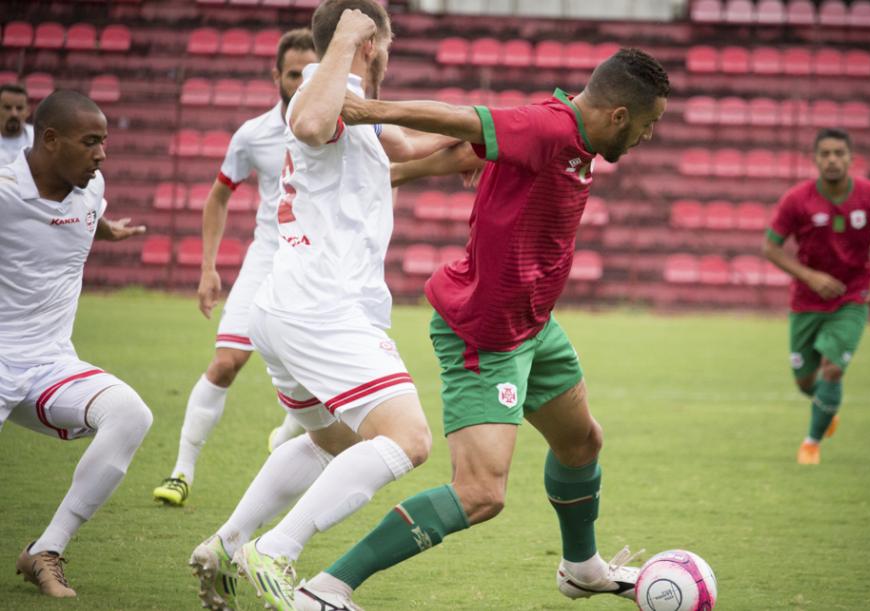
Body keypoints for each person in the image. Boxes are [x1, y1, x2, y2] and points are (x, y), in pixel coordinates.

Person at [289, 47, 671, 610]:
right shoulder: (548, 126)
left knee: (581, 441)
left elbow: (473, 148)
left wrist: (403, 171)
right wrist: (366, 110)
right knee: (480, 494)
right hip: (485, 335)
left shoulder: (575, 138)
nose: (647, 136)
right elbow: (462, 119)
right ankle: (326, 588)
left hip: (535, 326)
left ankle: (582, 567)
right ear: (619, 115)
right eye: (648, 124)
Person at [187, 3, 457, 610]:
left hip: (289, 305)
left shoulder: (350, 106)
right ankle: (277, 551)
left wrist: (491, 136)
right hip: (320, 307)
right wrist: (347, 39)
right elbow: (309, 125)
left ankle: (228, 544)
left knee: (332, 441)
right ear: (368, 43)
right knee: (409, 439)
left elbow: (410, 144)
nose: (387, 54)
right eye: (382, 44)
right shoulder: (322, 93)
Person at [152, 29, 320, 508]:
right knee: (227, 362)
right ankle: (182, 471)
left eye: (312, 73)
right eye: (294, 74)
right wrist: (208, 268)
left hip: (315, 265)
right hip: (268, 256)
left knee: (316, 373)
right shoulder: (253, 135)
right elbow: (219, 196)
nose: (303, 82)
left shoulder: (338, 127)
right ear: (277, 76)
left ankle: (288, 431)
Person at [0, 90, 152, 599]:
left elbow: (84, 221)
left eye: (104, 142)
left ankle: (46, 549)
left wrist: (108, 232)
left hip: (49, 365)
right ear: (50, 139)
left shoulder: (91, 187)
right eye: (90, 142)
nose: (102, 154)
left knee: (131, 414)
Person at [763, 128, 870, 465]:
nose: (832, 160)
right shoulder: (796, 200)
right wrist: (810, 276)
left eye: (839, 153)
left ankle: (811, 444)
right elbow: (769, 247)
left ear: (851, 158)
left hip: (852, 299)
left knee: (832, 369)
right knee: (804, 381)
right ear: (814, 159)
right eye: (825, 154)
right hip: (806, 302)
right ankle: (826, 409)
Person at [0, 83, 33, 165]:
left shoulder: (38, 139)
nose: (14, 114)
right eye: (7, 107)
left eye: (19, 108)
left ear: (28, 111)